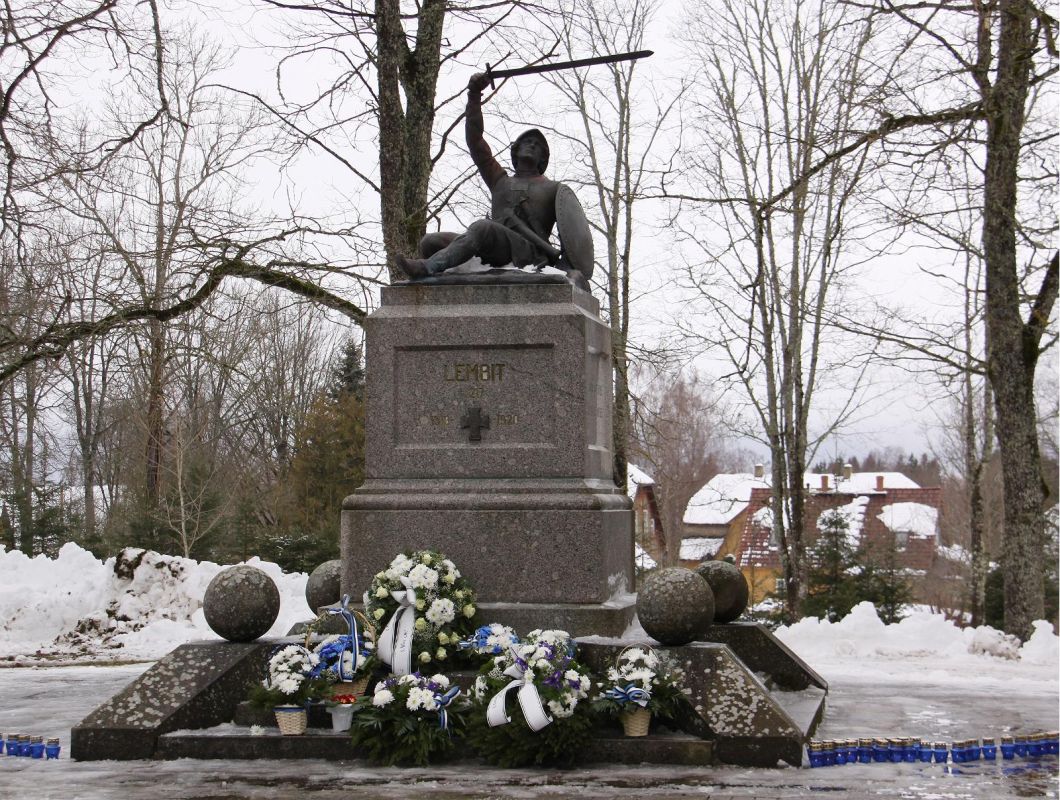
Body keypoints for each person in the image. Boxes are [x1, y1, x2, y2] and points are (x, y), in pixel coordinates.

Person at [396, 72, 568, 281]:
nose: (532, 145)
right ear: (515, 150)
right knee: (429, 242)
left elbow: (571, 236)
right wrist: (474, 95)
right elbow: (476, 141)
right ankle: (445, 276)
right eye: (527, 141)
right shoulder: (500, 181)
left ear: (543, 158)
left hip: (527, 253)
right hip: (493, 246)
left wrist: (570, 268)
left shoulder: (553, 189)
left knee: (482, 227)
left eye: (538, 145)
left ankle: (428, 267)